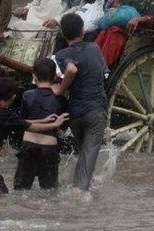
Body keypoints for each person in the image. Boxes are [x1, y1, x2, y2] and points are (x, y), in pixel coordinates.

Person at [0, 77, 68, 193]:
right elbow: (32, 127)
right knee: (0, 194)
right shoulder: (6, 115)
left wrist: (44, 120)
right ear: (13, 97)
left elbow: (21, 123)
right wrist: (55, 124)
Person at [53, 14, 109, 194]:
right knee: (87, 157)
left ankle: (82, 187)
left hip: (75, 114)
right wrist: (62, 89)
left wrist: (60, 89)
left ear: (62, 33)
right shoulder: (95, 48)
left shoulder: (61, 54)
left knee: (83, 157)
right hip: (95, 111)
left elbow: (67, 70)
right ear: (83, 31)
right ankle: (79, 202)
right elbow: (77, 70)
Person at [14, 59, 68, 190]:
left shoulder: (27, 95)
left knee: (20, 191)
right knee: (49, 192)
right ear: (54, 76)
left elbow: (21, 121)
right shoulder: (61, 99)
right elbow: (63, 126)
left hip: (28, 146)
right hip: (49, 148)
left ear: (34, 75)